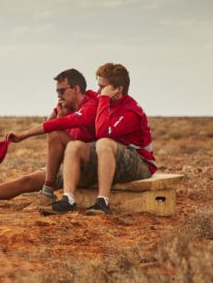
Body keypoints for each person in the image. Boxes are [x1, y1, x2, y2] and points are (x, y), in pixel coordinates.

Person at [0, 68, 99, 208]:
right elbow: (49, 123)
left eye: (61, 91)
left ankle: (47, 193)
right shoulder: (68, 108)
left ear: (76, 89)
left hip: (88, 163)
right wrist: (58, 113)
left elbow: (54, 129)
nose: (58, 95)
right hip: (70, 164)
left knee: (56, 134)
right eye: (56, 92)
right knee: (26, 180)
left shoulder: (90, 106)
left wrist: (23, 135)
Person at [43, 63, 156, 215]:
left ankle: (103, 201)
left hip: (140, 165)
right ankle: (68, 200)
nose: (98, 91)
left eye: (103, 87)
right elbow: (55, 123)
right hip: (111, 160)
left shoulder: (131, 110)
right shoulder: (103, 102)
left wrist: (103, 99)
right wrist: (57, 110)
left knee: (103, 142)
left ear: (118, 89)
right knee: (74, 146)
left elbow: (102, 133)